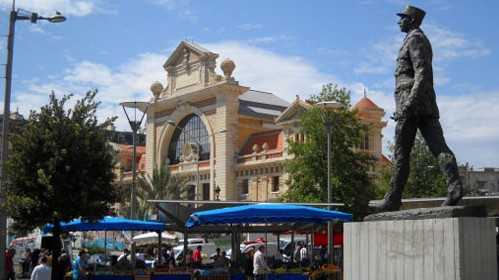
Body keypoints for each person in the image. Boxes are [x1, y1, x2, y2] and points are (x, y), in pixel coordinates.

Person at [376, 5, 463, 211]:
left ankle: (393, 199)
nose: (399, 21)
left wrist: (408, 103)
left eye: (403, 18)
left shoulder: (415, 38)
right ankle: (455, 188)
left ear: (412, 20)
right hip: (422, 102)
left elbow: (422, 72)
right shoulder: (415, 38)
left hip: (412, 102)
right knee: (438, 147)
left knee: (401, 153)